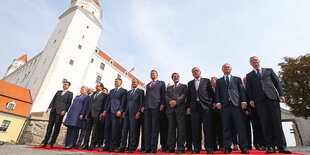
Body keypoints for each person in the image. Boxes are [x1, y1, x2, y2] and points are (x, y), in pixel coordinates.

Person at [246, 56, 291, 154]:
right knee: (265, 123)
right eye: (252, 61)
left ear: (259, 61)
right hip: (259, 101)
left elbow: (277, 83)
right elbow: (249, 89)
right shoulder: (249, 75)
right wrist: (251, 100)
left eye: (255, 60)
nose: (254, 62)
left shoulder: (269, 71)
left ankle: (282, 146)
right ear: (250, 64)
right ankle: (270, 146)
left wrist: (281, 94)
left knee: (277, 123)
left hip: (272, 98)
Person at [215, 63, 249, 154]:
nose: (227, 68)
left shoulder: (237, 79)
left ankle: (244, 147)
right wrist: (218, 102)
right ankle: (227, 147)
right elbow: (217, 93)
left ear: (231, 69)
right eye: (225, 67)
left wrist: (244, 101)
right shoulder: (219, 81)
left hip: (236, 105)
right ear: (222, 69)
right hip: (224, 106)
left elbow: (241, 90)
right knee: (226, 127)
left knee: (240, 126)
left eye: (228, 67)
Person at [35, 81, 73, 149]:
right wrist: (49, 107)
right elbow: (53, 100)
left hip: (60, 112)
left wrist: (65, 110)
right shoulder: (58, 92)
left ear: (68, 86)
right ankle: (44, 142)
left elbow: (69, 103)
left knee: (56, 128)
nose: (64, 85)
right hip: (53, 111)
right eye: (63, 84)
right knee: (49, 127)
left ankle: (51, 144)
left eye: (65, 85)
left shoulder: (70, 93)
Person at [187, 67, 215, 154]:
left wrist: (213, 103)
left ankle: (209, 148)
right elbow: (189, 96)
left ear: (200, 72)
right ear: (192, 74)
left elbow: (211, 93)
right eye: (193, 71)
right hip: (194, 108)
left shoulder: (206, 81)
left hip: (206, 107)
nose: (195, 72)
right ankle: (196, 148)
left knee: (208, 129)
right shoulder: (190, 83)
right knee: (195, 129)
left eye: (196, 71)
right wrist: (188, 106)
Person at [142, 70, 166, 153]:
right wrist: (143, 106)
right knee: (147, 128)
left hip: (156, 107)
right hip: (147, 108)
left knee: (155, 128)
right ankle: (147, 147)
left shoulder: (161, 83)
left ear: (157, 75)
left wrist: (162, 104)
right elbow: (146, 96)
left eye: (153, 73)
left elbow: (163, 94)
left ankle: (153, 147)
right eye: (151, 73)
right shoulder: (148, 85)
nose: (152, 74)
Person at [100, 78, 127, 152]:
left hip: (116, 112)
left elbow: (123, 101)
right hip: (108, 111)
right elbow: (108, 101)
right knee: (107, 129)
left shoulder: (124, 91)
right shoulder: (111, 91)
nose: (116, 83)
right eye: (115, 81)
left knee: (114, 129)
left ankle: (112, 146)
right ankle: (106, 145)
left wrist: (120, 110)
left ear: (121, 83)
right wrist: (105, 110)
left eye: (117, 82)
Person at [79, 83, 107, 151]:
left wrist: (102, 113)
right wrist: (87, 113)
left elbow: (104, 105)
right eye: (96, 86)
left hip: (97, 114)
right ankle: (85, 144)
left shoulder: (104, 95)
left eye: (98, 86)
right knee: (88, 130)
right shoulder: (93, 94)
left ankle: (92, 145)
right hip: (90, 114)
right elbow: (90, 104)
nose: (96, 87)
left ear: (101, 87)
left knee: (95, 130)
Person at [120, 79, 144, 153]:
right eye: (132, 82)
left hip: (135, 113)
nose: (133, 83)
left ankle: (132, 147)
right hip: (127, 113)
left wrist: (139, 112)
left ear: (138, 83)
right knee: (124, 131)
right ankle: (122, 146)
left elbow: (141, 102)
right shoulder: (129, 92)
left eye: (135, 82)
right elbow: (126, 102)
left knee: (133, 131)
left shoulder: (140, 91)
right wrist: (124, 111)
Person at [165, 73, 187, 154]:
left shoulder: (184, 86)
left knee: (181, 129)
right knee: (171, 129)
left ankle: (181, 147)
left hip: (180, 110)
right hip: (170, 111)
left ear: (179, 77)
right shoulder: (169, 88)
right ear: (172, 78)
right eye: (174, 77)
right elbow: (166, 96)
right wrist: (170, 101)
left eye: (177, 76)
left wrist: (176, 101)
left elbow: (184, 95)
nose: (176, 78)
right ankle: (171, 147)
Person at [210, 77, 223, 151]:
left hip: (220, 110)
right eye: (211, 81)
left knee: (221, 128)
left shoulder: (221, 88)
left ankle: (221, 145)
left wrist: (217, 104)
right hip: (211, 111)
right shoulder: (209, 89)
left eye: (213, 80)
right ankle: (214, 146)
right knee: (212, 129)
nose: (212, 82)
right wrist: (212, 104)